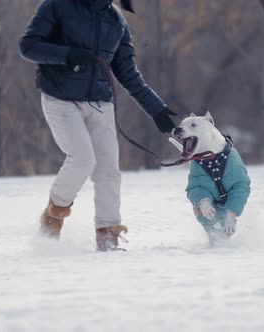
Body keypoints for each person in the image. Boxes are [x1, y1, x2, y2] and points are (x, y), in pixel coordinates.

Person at [19, 0, 178, 251]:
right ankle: (54, 215)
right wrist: (68, 55)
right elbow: (28, 46)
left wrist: (156, 108)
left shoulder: (116, 20)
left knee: (108, 170)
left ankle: (108, 234)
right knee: (82, 159)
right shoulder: (57, 6)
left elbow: (127, 73)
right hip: (60, 98)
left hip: (99, 102)